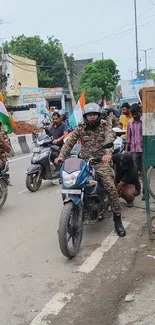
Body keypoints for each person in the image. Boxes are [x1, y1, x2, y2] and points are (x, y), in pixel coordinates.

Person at [55, 103, 126, 237]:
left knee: (110, 188)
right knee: (68, 184)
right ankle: (67, 220)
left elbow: (109, 138)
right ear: (85, 116)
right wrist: (61, 156)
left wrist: (108, 154)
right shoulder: (80, 127)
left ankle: (117, 220)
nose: (92, 117)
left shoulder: (105, 125)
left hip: (100, 162)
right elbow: (70, 142)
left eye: (94, 114)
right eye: (89, 115)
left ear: (98, 115)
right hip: (84, 162)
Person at [126, 103, 144, 199]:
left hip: (144, 149)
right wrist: (126, 151)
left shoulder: (144, 121)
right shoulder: (129, 123)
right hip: (134, 150)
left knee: (144, 171)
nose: (134, 116)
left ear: (139, 112)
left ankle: (146, 192)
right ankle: (138, 188)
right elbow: (128, 138)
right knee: (134, 171)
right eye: (133, 114)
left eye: (136, 114)